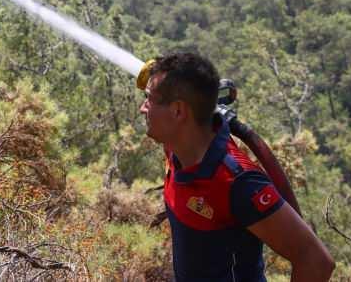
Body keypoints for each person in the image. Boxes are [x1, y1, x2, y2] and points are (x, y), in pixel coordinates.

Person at [139, 52, 334, 282]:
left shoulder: (237, 182)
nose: (143, 108)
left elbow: (316, 261)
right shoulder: (177, 145)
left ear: (179, 111)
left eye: (149, 99)